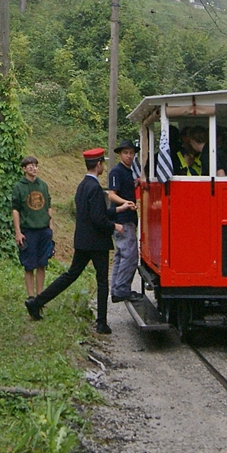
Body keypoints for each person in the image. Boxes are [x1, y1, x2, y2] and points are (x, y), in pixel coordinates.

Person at [25, 148, 121, 334]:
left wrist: (119, 209)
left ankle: (37, 302)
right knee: (102, 280)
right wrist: (114, 226)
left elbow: (92, 214)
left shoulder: (82, 185)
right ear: (99, 164)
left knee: (70, 275)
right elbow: (98, 219)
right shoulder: (95, 188)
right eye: (102, 163)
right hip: (97, 243)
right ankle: (101, 322)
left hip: (83, 241)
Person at [11, 156, 54, 300]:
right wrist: (18, 232)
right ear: (24, 168)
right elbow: (15, 209)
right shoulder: (19, 187)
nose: (33, 168)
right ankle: (31, 296)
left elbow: (49, 206)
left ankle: (40, 295)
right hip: (28, 230)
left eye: (35, 166)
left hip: (43, 229)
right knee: (29, 265)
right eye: (30, 166)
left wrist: (50, 228)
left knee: (42, 264)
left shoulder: (43, 185)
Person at [107, 140, 142, 303]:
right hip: (122, 219)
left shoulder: (129, 172)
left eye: (131, 153)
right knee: (129, 255)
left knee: (121, 256)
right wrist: (125, 203)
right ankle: (122, 289)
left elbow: (128, 187)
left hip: (128, 218)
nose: (129, 156)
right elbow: (111, 194)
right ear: (120, 154)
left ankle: (116, 289)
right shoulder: (117, 171)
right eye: (126, 153)